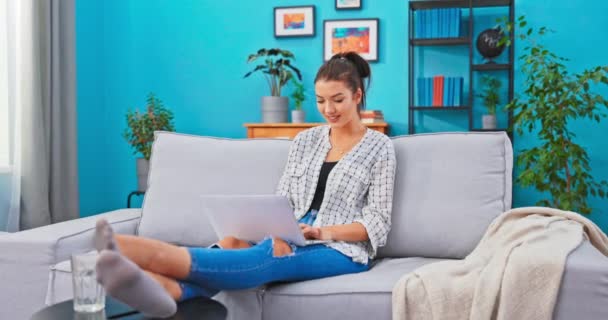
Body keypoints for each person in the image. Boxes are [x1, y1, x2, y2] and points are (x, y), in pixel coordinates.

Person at [93, 51, 397, 318]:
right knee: (231, 243)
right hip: (293, 231)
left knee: (272, 253)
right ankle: (171, 291)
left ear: (357, 96)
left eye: (338, 100)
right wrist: (278, 229)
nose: (329, 109)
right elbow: (284, 199)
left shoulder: (379, 147)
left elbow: (377, 222)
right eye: (321, 101)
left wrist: (321, 231)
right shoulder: (306, 141)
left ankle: (158, 257)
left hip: (341, 248)